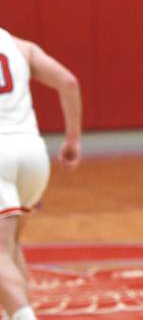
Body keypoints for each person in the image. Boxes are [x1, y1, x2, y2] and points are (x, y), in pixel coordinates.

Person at [0, 28, 82, 320]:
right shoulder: (21, 46)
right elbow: (69, 83)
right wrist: (72, 140)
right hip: (33, 154)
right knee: (10, 247)